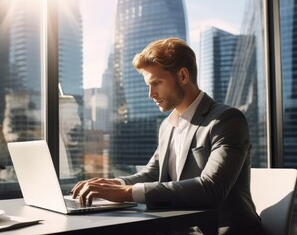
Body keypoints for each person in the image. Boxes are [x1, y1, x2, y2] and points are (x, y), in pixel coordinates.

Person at [71, 37, 264, 234]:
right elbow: (152, 174)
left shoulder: (226, 120)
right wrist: (115, 184)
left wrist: (127, 193)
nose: (150, 93)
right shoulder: (167, 125)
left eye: (156, 83)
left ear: (182, 75)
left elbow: (211, 189)